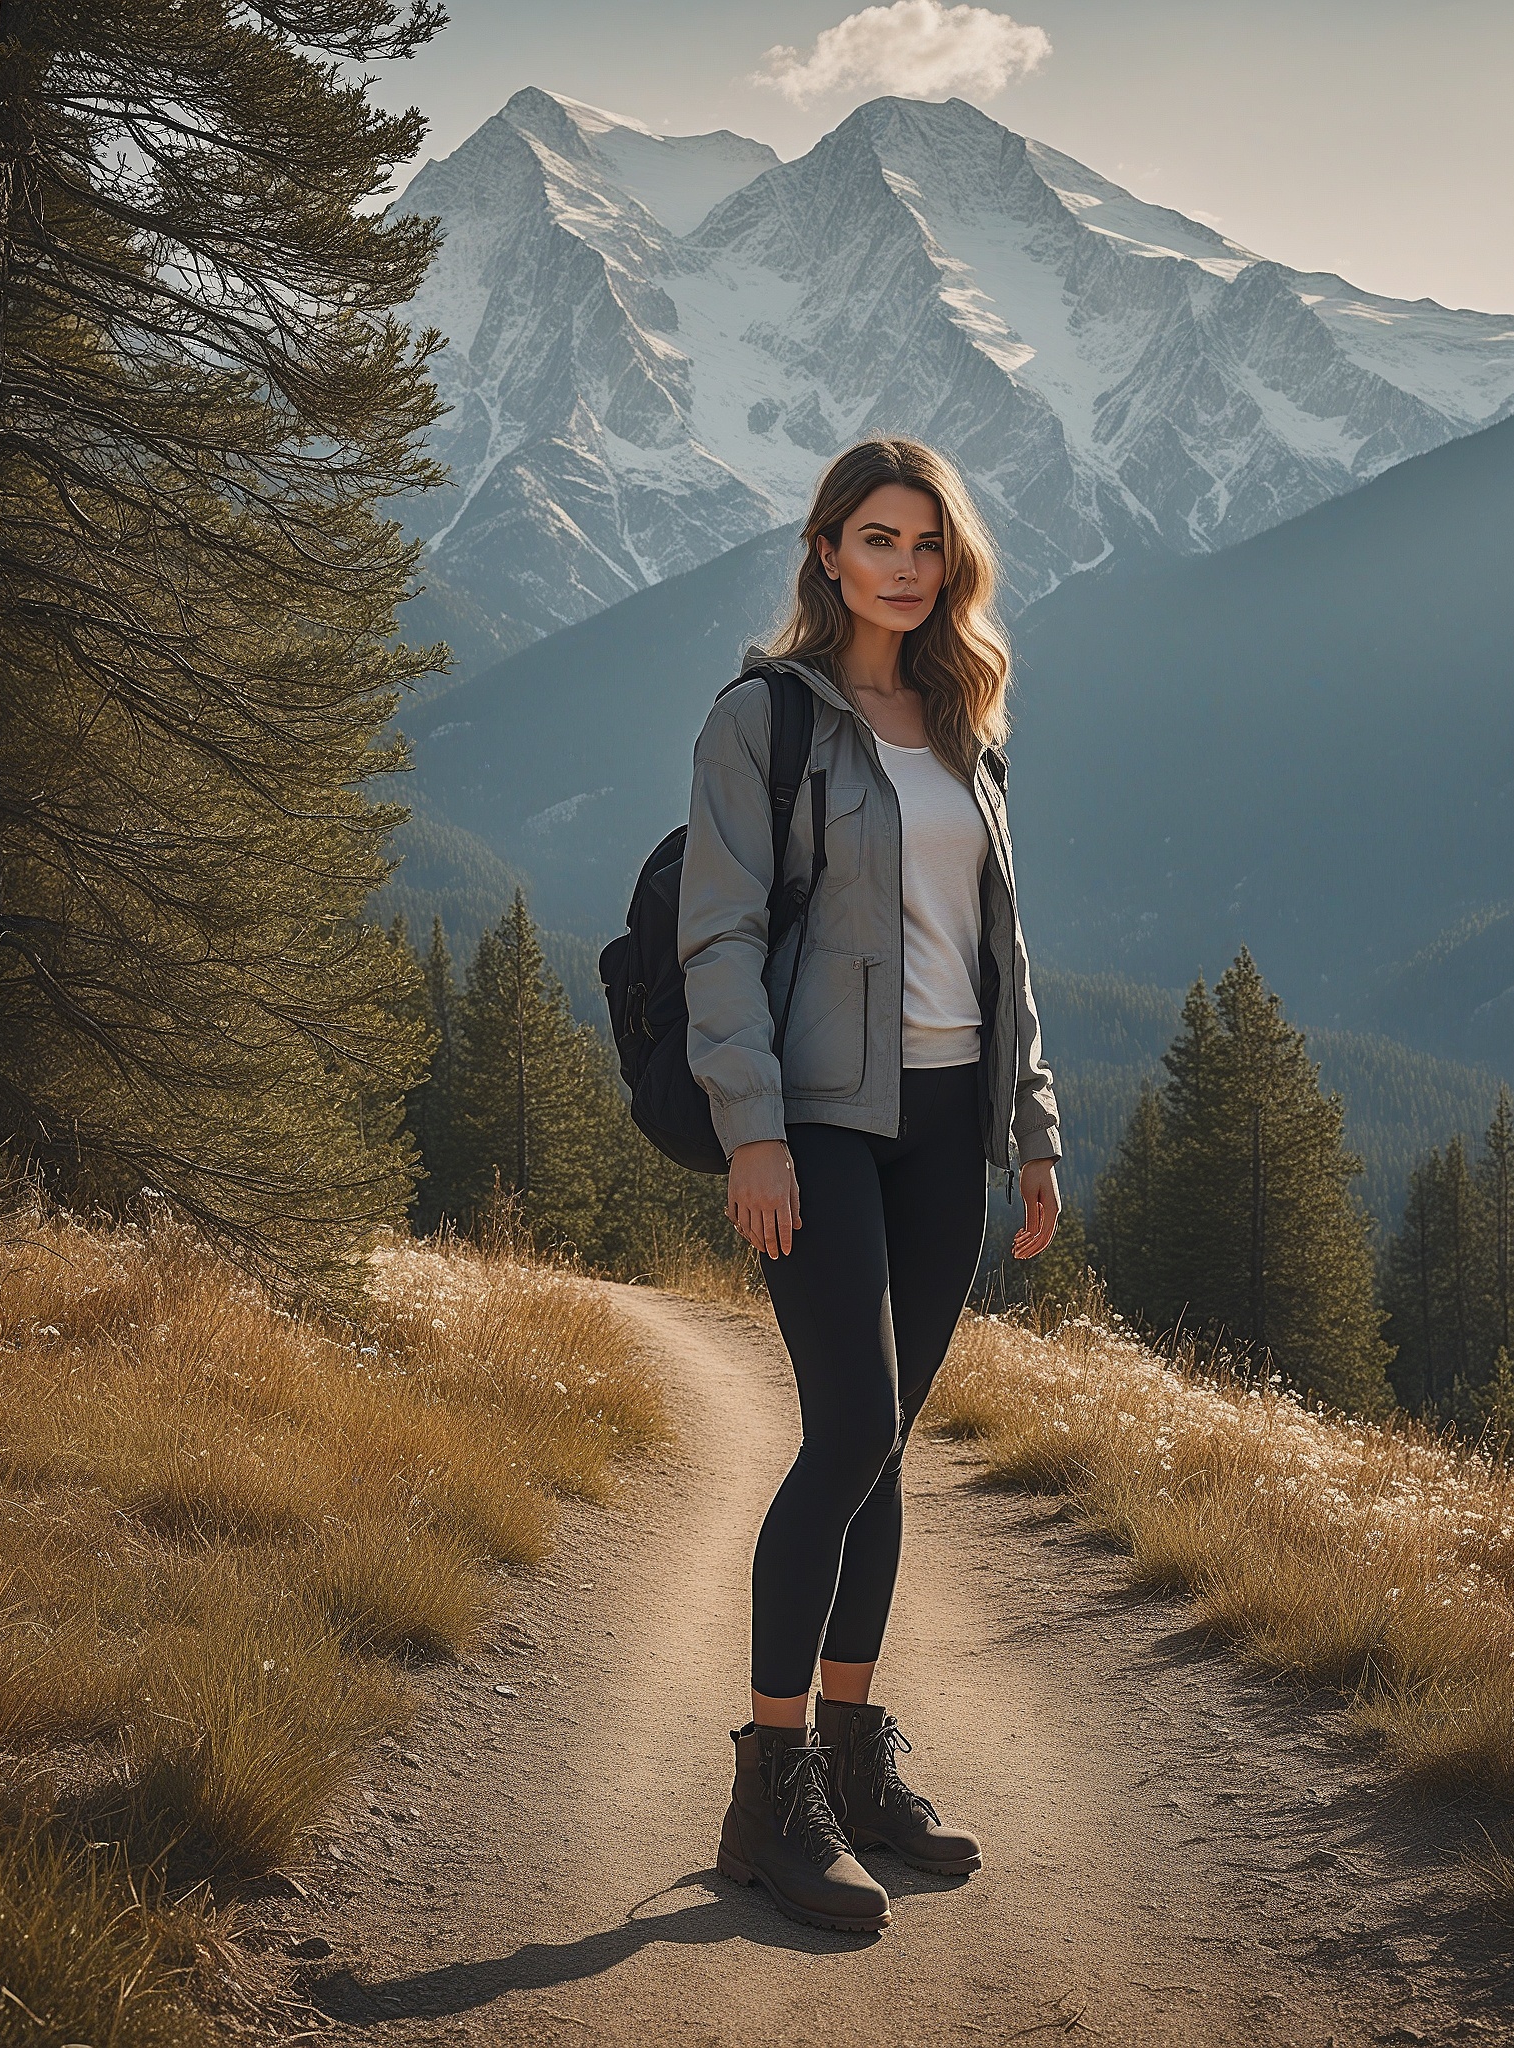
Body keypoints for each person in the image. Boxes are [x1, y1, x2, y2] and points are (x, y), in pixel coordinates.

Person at [677, 437, 1062, 1934]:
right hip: (821, 1120)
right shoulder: (764, 721)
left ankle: (850, 1748)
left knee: (889, 1442)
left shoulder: (968, 723)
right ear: (827, 551)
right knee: (843, 1429)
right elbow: (718, 943)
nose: (905, 563)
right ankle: (769, 1790)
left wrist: (1031, 1129)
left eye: (928, 543)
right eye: (877, 537)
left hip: (950, 1118)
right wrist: (754, 1132)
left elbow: (1004, 954)